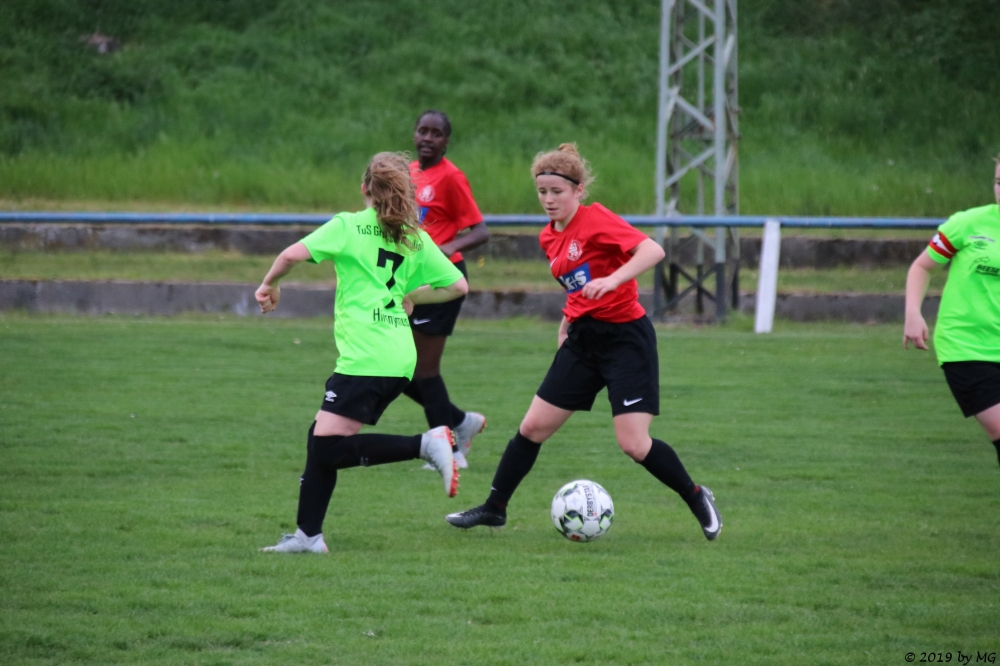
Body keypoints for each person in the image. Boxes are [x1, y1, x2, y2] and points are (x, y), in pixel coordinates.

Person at [444, 143, 723, 540]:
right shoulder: (548, 237)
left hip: (626, 340)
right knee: (532, 428)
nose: (548, 200)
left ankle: (697, 497)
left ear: (578, 190)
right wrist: (566, 322)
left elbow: (653, 250)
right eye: (542, 192)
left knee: (634, 444)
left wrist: (614, 279)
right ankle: (495, 508)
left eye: (557, 191)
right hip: (583, 339)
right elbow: (577, 285)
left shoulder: (596, 219)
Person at [256, 152, 469, 553]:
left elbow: (290, 256)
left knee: (328, 447)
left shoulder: (349, 225)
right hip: (399, 357)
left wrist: (271, 285)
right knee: (319, 438)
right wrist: (412, 297)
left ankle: (427, 445)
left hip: (366, 357)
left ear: (364, 188)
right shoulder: (413, 237)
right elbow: (458, 286)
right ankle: (308, 535)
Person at [404, 109, 491, 469]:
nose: (428, 138)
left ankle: (450, 452)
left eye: (436, 133)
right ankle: (459, 422)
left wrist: (446, 247)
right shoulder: (408, 173)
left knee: (424, 370)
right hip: (412, 281)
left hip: (443, 281)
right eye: (422, 131)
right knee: (399, 368)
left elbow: (481, 231)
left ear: (446, 141)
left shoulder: (452, 177)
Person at [904, 155, 1000, 467]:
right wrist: (913, 313)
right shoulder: (968, 223)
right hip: (966, 347)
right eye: (999, 182)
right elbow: (922, 267)